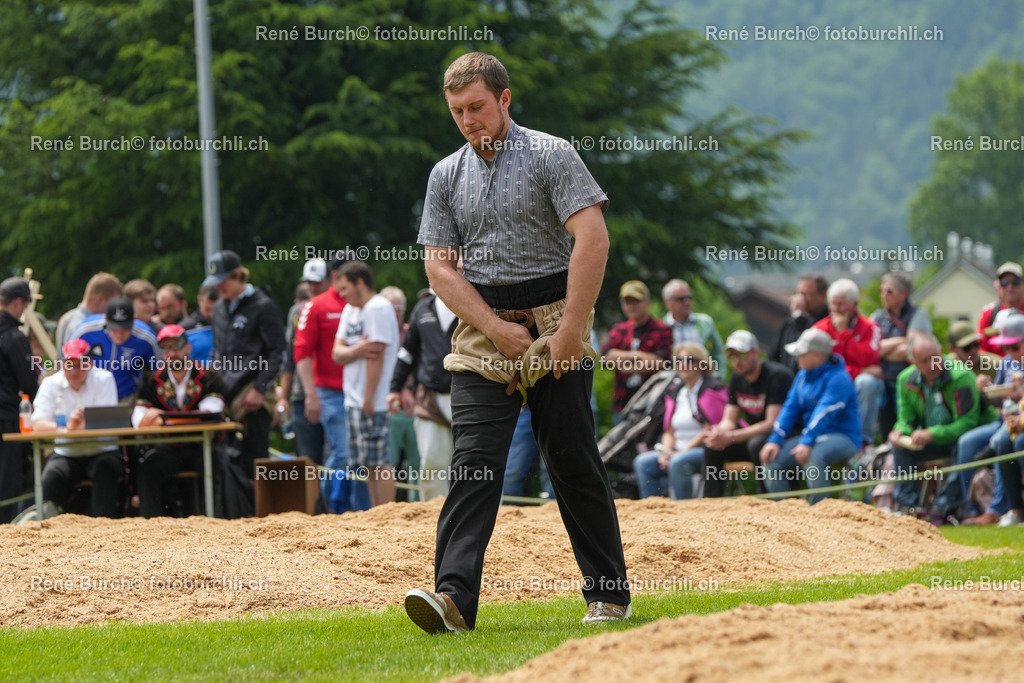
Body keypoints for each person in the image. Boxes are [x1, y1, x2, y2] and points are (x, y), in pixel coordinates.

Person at [405, 51, 631, 632]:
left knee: (572, 459)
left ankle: (608, 595)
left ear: (505, 99)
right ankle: (452, 601)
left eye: (477, 107)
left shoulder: (553, 154)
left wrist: (572, 331)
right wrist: (497, 328)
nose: (467, 120)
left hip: (558, 314)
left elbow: (593, 240)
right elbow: (439, 270)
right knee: (473, 465)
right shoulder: (444, 175)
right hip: (483, 329)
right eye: (457, 110)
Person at [294, 256, 370, 513]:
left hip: (361, 392)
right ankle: (328, 505)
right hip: (330, 392)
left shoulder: (366, 304)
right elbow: (301, 352)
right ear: (337, 276)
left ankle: (358, 510)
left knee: (361, 455)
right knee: (345, 453)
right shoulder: (316, 306)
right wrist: (310, 395)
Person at [204, 250, 287, 476]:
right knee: (224, 459)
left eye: (223, 281)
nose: (219, 287)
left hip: (253, 394)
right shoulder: (219, 309)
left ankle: (260, 510)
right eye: (216, 283)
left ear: (238, 275)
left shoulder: (263, 306)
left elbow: (278, 351)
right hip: (224, 393)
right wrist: (212, 391)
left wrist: (260, 389)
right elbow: (217, 353)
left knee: (255, 460)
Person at [887, 334, 989, 513]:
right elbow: (906, 419)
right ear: (912, 362)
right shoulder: (905, 379)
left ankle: (944, 504)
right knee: (899, 447)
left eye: (934, 358)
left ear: (941, 351)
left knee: (963, 442)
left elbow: (967, 423)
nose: (931, 364)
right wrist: (899, 432)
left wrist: (932, 434)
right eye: (924, 361)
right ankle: (906, 506)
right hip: (935, 439)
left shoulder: (961, 376)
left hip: (968, 438)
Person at [133, 325, 225, 517]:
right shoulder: (151, 380)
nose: (172, 353)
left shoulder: (209, 376)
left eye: (177, 346)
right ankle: (150, 525)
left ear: (188, 348)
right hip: (168, 447)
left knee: (218, 463)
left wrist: (162, 417)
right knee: (149, 464)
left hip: (201, 446)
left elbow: (211, 412)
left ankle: (220, 521)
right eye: (166, 349)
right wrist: (147, 418)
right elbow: (139, 418)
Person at [761, 328, 862, 504]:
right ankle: (783, 513)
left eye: (801, 353)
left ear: (816, 356)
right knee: (771, 458)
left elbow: (824, 412)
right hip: (814, 436)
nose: (796, 357)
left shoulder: (840, 378)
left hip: (845, 437)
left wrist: (806, 441)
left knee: (813, 454)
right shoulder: (801, 376)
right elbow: (789, 409)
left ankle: (820, 512)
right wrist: (775, 439)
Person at [331, 261, 399, 507]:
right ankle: (377, 512)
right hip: (354, 398)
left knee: (380, 461)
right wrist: (358, 348)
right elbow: (336, 353)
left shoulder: (378, 307)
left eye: (345, 287)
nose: (341, 293)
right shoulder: (351, 310)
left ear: (360, 282)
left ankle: (386, 514)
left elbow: (377, 354)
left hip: (373, 399)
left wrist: (369, 397)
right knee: (367, 462)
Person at [33, 340, 122, 517]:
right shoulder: (50, 383)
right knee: (51, 477)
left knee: (107, 469)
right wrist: (67, 428)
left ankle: (105, 527)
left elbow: (111, 420)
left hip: (102, 451)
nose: (74, 371)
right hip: (67, 453)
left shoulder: (104, 378)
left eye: (80, 365)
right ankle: (51, 528)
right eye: (69, 365)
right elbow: (37, 425)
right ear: (62, 364)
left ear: (91, 364)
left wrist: (79, 425)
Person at [702, 330, 794, 497]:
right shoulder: (737, 378)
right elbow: (729, 419)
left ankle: (765, 500)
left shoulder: (777, 376)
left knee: (757, 444)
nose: (737, 361)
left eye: (742, 355)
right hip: (757, 436)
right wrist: (719, 433)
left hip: (783, 436)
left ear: (756, 353)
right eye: (731, 356)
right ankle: (712, 501)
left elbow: (771, 423)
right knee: (713, 446)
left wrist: (731, 437)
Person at [387, 286, 458, 502]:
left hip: (471, 398)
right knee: (432, 463)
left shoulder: (480, 303)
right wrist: (394, 389)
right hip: (430, 400)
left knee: (478, 465)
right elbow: (407, 353)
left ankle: (484, 522)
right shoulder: (422, 309)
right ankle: (435, 520)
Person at [632, 341, 727, 499]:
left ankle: (684, 512)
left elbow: (710, 430)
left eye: (689, 360)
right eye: (679, 360)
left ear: (701, 364)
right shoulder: (676, 391)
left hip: (705, 450)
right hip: (677, 450)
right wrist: (666, 453)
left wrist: (680, 453)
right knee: (642, 462)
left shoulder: (712, 388)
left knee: (679, 462)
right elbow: (669, 431)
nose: (683, 364)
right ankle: (655, 511)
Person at [813, 278, 883, 446]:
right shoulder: (819, 330)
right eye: (833, 304)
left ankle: (864, 442)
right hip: (832, 384)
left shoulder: (870, 327)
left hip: (864, 387)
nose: (836, 309)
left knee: (866, 382)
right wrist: (859, 371)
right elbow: (821, 368)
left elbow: (869, 358)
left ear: (854, 304)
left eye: (841, 304)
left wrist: (844, 333)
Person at [277, 260, 330, 465]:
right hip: (301, 395)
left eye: (317, 282)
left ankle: (334, 498)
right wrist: (283, 397)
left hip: (332, 393)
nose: (313, 287)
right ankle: (313, 499)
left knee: (337, 458)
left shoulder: (340, 307)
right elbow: (289, 358)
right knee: (308, 459)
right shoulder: (297, 312)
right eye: (309, 282)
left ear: (329, 280)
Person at [601, 280, 673, 424]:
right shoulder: (619, 330)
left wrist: (626, 365)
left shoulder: (662, 329)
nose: (631, 306)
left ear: (648, 302)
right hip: (623, 404)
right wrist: (639, 356)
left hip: (653, 403)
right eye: (627, 302)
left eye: (636, 301)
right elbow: (605, 359)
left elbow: (662, 362)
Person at [871, 273, 932, 437]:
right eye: (881, 291)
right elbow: (870, 350)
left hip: (910, 382)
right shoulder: (877, 317)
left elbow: (912, 351)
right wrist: (902, 339)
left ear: (903, 294)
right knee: (886, 429)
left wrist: (882, 350)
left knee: (908, 426)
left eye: (889, 291)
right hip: (884, 383)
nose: (884, 295)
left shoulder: (918, 314)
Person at [0, 278, 40, 523]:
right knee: (7, 479)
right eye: (25, 305)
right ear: (18, 303)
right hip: (4, 418)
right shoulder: (14, 337)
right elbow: (28, 382)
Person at [70, 297, 159, 403]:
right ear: (106, 319)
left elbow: (159, 369)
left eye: (125, 329)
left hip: (126, 395)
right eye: (114, 328)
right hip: (89, 393)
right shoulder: (85, 331)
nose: (119, 334)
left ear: (134, 320)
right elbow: (67, 359)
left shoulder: (145, 337)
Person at [381, 285, 420, 501]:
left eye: (399, 308)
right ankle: (387, 508)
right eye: (391, 308)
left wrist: (410, 389)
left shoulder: (411, 332)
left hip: (414, 406)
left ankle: (418, 507)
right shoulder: (376, 334)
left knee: (419, 463)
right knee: (389, 460)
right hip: (387, 406)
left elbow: (422, 365)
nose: (395, 313)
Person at [662, 278, 726, 373]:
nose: (687, 302)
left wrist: (718, 377)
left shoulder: (705, 322)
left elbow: (719, 352)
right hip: (675, 382)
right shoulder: (662, 327)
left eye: (688, 297)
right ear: (668, 302)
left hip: (705, 381)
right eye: (681, 299)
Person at [770, 275, 829, 374]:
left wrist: (799, 318)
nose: (801, 299)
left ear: (823, 295)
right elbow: (775, 352)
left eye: (806, 294)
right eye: (799, 293)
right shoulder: (791, 319)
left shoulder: (827, 320)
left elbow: (808, 343)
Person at [55, 272, 122, 356]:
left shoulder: (68, 317)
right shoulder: (82, 326)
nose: (115, 309)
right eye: (113, 303)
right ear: (99, 299)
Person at [977, 262, 1024, 356]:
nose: (1010, 287)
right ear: (997, 286)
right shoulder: (989, 313)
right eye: (1004, 283)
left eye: (1015, 282)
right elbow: (982, 351)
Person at [945, 319, 1001, 384]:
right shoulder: (945, 369)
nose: (973, 350)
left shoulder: (996, 365)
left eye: (976, 344)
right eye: (967, 347)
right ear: (952, 349)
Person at [181, 284, 219, 364]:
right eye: (207, 309)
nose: (211, 314)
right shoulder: (185, 328)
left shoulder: (228, 324)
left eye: (215, 309)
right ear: (199, 300)